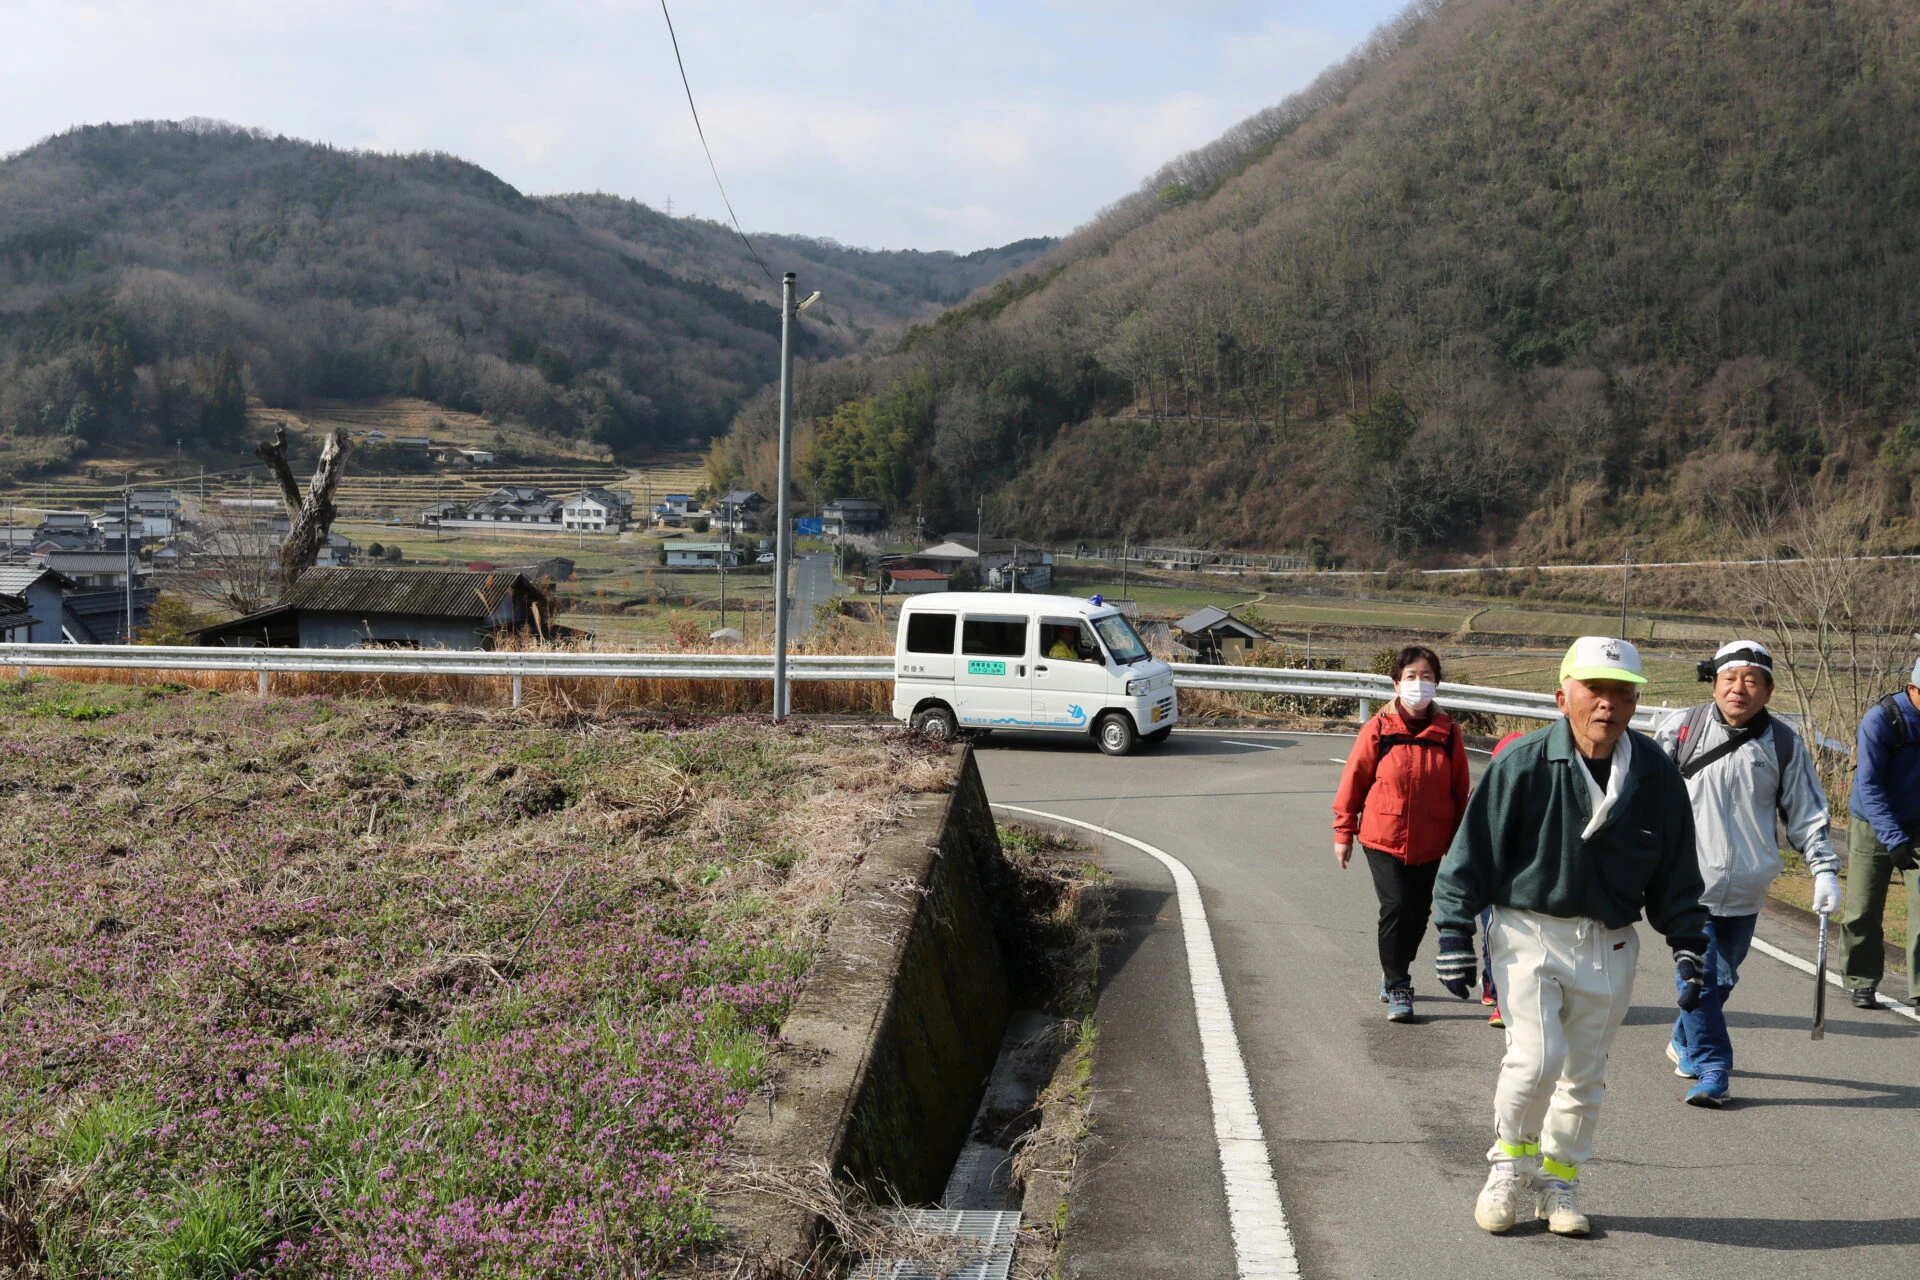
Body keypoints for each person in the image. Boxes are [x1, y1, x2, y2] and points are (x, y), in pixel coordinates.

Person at [1432, 637, 1708, 1238]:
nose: (1607, 703)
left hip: (1609, 940)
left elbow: (1677, 871)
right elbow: (1470, 855)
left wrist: (1689, 945)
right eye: (1594, 689)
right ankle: (1508, 1164)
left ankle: (1558, 1179)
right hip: (1528, 929)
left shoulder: (1656, 775)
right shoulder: (1523, 762)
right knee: (1536, 1058)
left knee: (1584, 1072)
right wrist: (1453, 932)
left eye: (1621, 692)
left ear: (1634, 703)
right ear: (1563, 697)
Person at [1653, 640, 1838, 1106]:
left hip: (1747, 890)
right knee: (1701, 979)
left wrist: (1824, 870)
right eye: (1730, 678)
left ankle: (1683, 1039)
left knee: (1722, 980)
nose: (1739, 689)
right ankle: (1713, 1068)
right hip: (1688, 888)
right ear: (1714, 683)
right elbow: (1643, 796)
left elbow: (1806, 812)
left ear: (1768, 691)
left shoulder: (1783, 743)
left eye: (1752, 681)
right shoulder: (1681, 730)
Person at [1332, 645, 1471, 1023]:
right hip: (1383, 836)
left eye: (1427, 677)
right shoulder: (1378, 728)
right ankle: (1398, 984)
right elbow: (1353, 781)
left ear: (1437, 684)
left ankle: (1394, 965)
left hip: (1431, 840)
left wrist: (1461, 845)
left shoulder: (1448, 733)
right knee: (1395, 907)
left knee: (1418, 913)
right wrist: (1344, 831)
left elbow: (1460, 790)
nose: (1418, 684)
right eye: (1411, 677)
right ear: (1396, 683)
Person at [1838, 655, 1920, 1008]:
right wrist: (1893, 838)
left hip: (1918, 823)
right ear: (1912, 688)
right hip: (1872, 823)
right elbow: (1868, 785)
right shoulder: (1882, 719)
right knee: (1863, 907)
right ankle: (1862, 979)